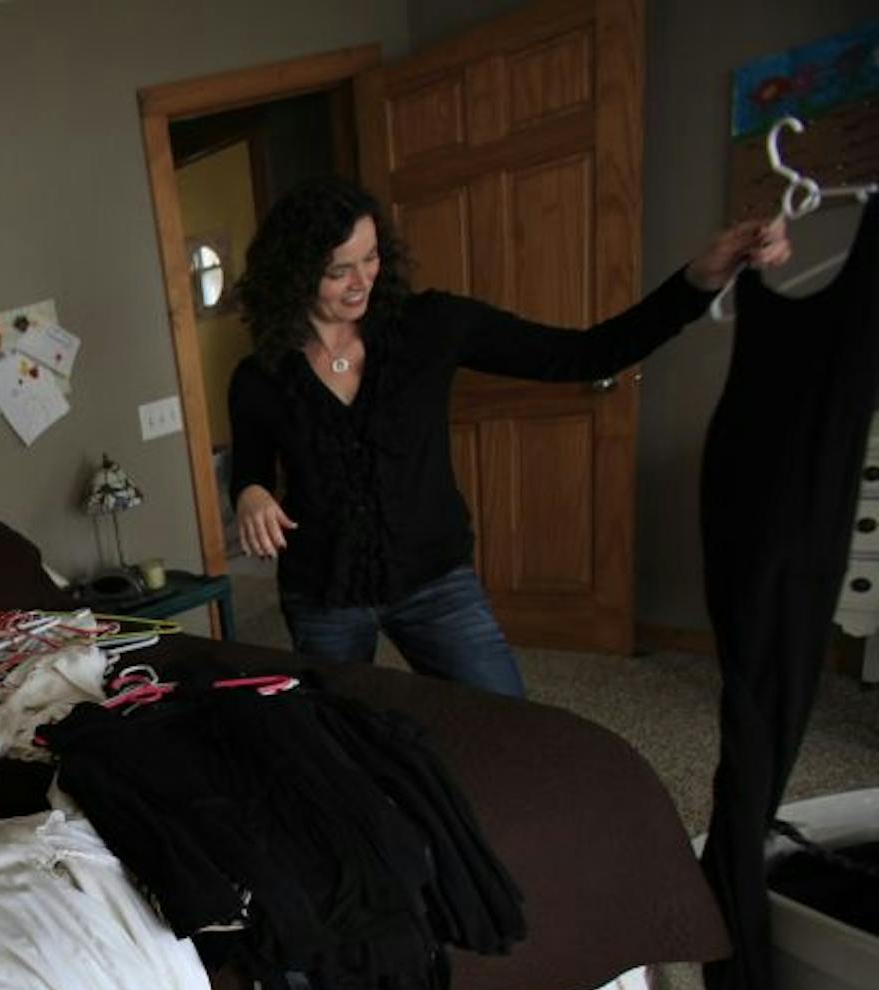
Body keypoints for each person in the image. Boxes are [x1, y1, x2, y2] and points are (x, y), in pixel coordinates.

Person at [227, 176, 791, 697]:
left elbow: (586, 352)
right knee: (341, 736)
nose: (361, 281)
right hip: (324, 592)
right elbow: (251, 467)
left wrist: (699, 280)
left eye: (371, 257)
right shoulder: (259, 378)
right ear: (296, 273)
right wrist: (251, 491)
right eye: (338, 269)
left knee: (509, 724)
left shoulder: (430, 325)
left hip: (434, 582)